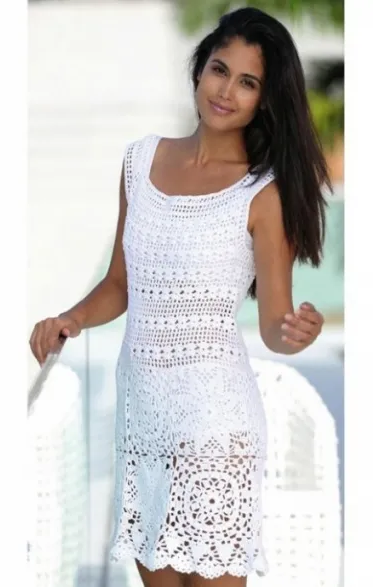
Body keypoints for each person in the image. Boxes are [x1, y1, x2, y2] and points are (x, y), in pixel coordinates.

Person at [29, 7, 329, 587]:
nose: (226, 91)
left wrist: (297, 331)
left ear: (264, 101)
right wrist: (70, 318)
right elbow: (121, 284)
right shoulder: (140, 161)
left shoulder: (263, 193)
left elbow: (274, 324)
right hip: (143, 417)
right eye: (220, 69)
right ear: (199, 70)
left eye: (248, 82)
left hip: (215, 424)